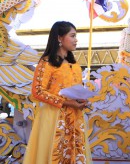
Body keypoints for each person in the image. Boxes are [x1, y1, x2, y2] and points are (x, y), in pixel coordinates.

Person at [23, 21, 92, 164]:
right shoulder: (46, 63)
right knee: (56, 154)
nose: (76, 40)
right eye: (72, 36)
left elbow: (77, 90)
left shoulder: (75, 65)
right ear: (60, 38)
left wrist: (82, 100)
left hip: (75, 117)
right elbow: (37, 92)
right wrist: (67, 102)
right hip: (54, 118)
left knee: (75, 153)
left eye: (75, 36)